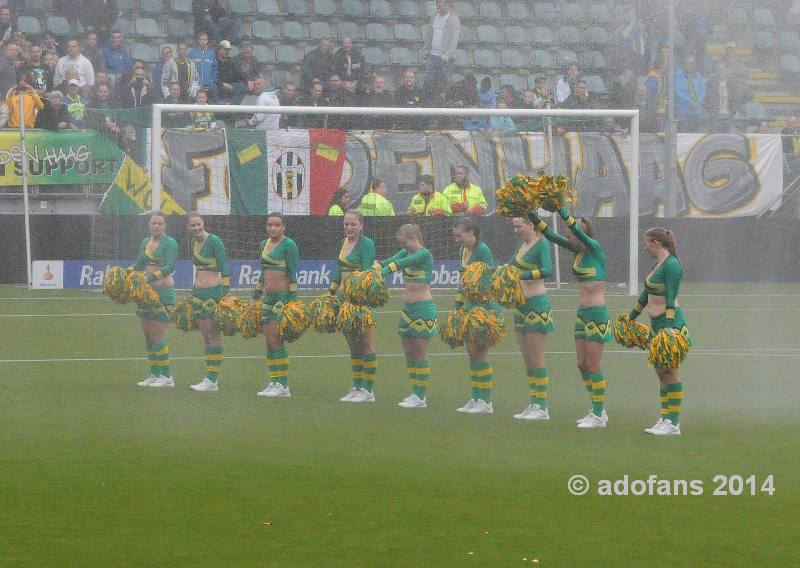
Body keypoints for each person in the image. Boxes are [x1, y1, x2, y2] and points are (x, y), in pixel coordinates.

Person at [530, 207, 611, 429]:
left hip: (597, 314)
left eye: (573, 233)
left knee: (594, 364)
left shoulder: (596, 250)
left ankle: (597, 413)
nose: (569, 235)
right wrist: (533, 216)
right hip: (582, 314)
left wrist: (561, 209)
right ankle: (597, 410)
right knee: (582, 364)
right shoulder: (578, 252)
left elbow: (578, 231)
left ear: (583, 234)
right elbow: (551, 235)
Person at [629, 228, 690, 436]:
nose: (644, 247)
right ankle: (664, 418)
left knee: (671, 372)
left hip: (669, 326)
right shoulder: (657, 265)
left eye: (646, 243)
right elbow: (646, 294)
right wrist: (630, 317)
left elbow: (671, 297)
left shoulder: (672, 264)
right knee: (661, 372)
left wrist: (671, 328)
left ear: (656, 243)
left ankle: (673, 423)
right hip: (656, 326)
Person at [377, 224, 437, 408]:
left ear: (412, 237)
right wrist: (375, 268)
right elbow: (390, 260)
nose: (402, 246)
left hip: (423, 309)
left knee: (420, 352)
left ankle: (421, 396)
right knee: (409, 351)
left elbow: (400, 264)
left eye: (404, 242)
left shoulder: (424, 254)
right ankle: (414, 392)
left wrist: (384, 272)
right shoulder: (406, 251)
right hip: (407, 309)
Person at [507, 217, 555, 421]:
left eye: (519, 226)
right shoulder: (522, 246)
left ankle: (542, 407)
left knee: (536, 358)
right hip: (520, 306)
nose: (516, 230)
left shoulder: (541, 244)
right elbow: (509, 268)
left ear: (530, 224)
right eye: (514, 227)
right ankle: (534, 401)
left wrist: (522, 276)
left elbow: (547, 270)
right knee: (528, 359)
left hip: (536, 305)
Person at [328, 210, 378, 402]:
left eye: (353, 224)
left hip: (360, 302)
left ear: (361, 225)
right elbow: (339, 270)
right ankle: (357, 386)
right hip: (343, 302)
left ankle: (368, 390)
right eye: (346, 224)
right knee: (353, 346)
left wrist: (358, 300)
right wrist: (330, 293)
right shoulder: (344, 242)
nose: (349, 227)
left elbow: (366, 275)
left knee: (365, 344)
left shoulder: (367, 244)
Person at [452, 218, 498, 415]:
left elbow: (489, 279)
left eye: (459, 235)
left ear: (472, 232)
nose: (456, 239)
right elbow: (464, 282)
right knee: (472, 353)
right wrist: (458, 305)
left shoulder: (483, 250)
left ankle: (485, 401)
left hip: (483, 306)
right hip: (468, 305)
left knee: (480, 352)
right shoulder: (463, 250)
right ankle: (476, 396)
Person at [251, 212, 299, 398]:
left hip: (282, 299)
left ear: (283, 227)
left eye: (277, 225)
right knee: (269, 342)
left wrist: (292, 300)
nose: (273, 228)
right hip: (267, 299)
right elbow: (263, 274)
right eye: (270, 225)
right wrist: (256, 295)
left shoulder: (289, 245)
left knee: (276, 340)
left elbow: (293, 272)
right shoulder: (263, 245)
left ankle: (283, 385)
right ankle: (274, 381)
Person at [131, 212, 179, 388]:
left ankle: (167, 377)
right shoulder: (145, 242)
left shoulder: (170, 243)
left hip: (163, 295)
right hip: (146, 295)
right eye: (153, 223)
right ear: (149, 224)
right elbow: (139, 264)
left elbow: (169, 267)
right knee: (148, 337)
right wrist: (126, 272)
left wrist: (149, 279)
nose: (156, 226)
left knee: (157, 336)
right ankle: (154, 374)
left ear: (165, 225)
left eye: (159, 223)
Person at [186, 212, 229, 392]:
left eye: (199, 224)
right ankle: (209, 378)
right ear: (188, 228)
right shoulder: (194, 243)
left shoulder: (215, 241)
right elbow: (199, 270)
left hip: (213, 294)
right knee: (205, 337)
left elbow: (224, 267)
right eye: (193, 226)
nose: (196, 228)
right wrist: (193, 291)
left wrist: (225, 294)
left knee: (213, 336)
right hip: (198, 294)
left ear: (204, 224)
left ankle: (212, 380)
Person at [422, 0, 460, 103]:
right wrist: (426, 50)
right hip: (432, 55)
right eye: (437, 3)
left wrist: (445, 56)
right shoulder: (434, 16)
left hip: (445, 59)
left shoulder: (453, 19)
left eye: (441, 3)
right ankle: (427, 105)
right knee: (428, 82)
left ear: (447, 4)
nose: (438, 5)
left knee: (444, 84)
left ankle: (444, 106)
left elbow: (453, 41)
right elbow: (429, 34)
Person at [675, 55, 705, 133]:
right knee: (683, 136)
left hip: (696, 112)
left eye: (692, 63)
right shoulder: (679, 74)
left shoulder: (698, 75)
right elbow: (677, 91)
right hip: (683, 112)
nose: (690, 65)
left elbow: (703, 90)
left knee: (694, 136)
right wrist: (689, 102)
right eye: (687, 63)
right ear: (684, 64)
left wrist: (698, 101)